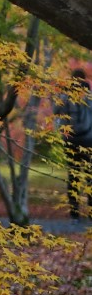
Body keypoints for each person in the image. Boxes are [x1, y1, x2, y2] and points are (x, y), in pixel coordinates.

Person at [57, 67, 92, 219]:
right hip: (88, 139)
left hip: (70, 140)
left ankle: (74, 213)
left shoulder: (64, 96)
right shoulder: (89, 95)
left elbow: (55, 111)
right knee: (90, 176)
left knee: (73, 176)